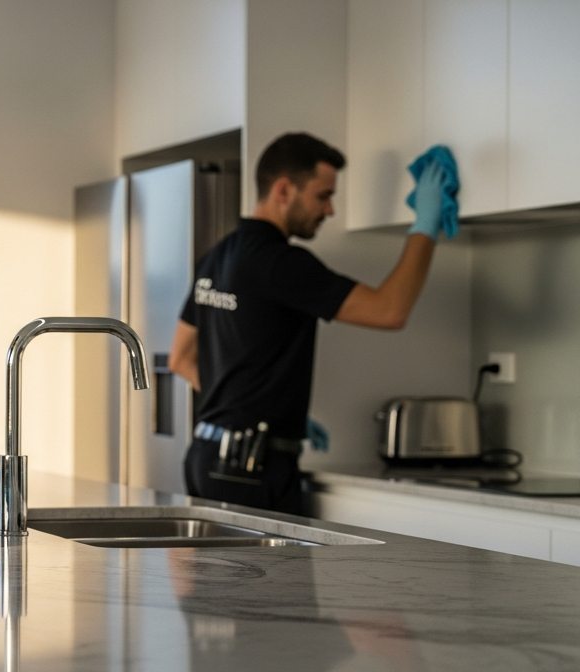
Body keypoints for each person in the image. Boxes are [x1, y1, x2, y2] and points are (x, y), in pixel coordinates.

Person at [169, 132, 449, 516]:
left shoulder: (220, 254)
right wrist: (425, 225)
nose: (330, 210)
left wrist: (255, 410)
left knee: (218, 578)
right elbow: (390, 310)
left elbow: (180, 359)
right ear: (284, 190)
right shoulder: (281, 264)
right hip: (252, 468)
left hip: (205, 458)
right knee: (276, 579)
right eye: (323, 195)